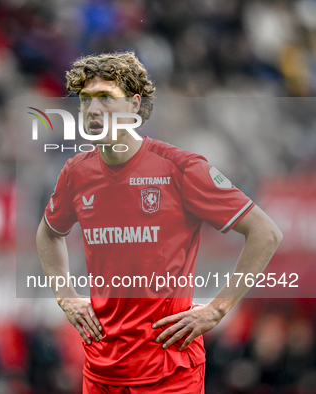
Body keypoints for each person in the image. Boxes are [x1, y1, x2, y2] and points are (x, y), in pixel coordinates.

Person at [35, 52, 283, 393]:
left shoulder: (180, 168)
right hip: (101, 371)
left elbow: (264, 233)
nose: (93, 110)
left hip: (168, 371)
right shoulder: (76, 172)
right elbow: (49, 234)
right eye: (85, 101)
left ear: (134, 105)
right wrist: (66, 297)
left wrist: (216, 310)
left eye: (106, 98)